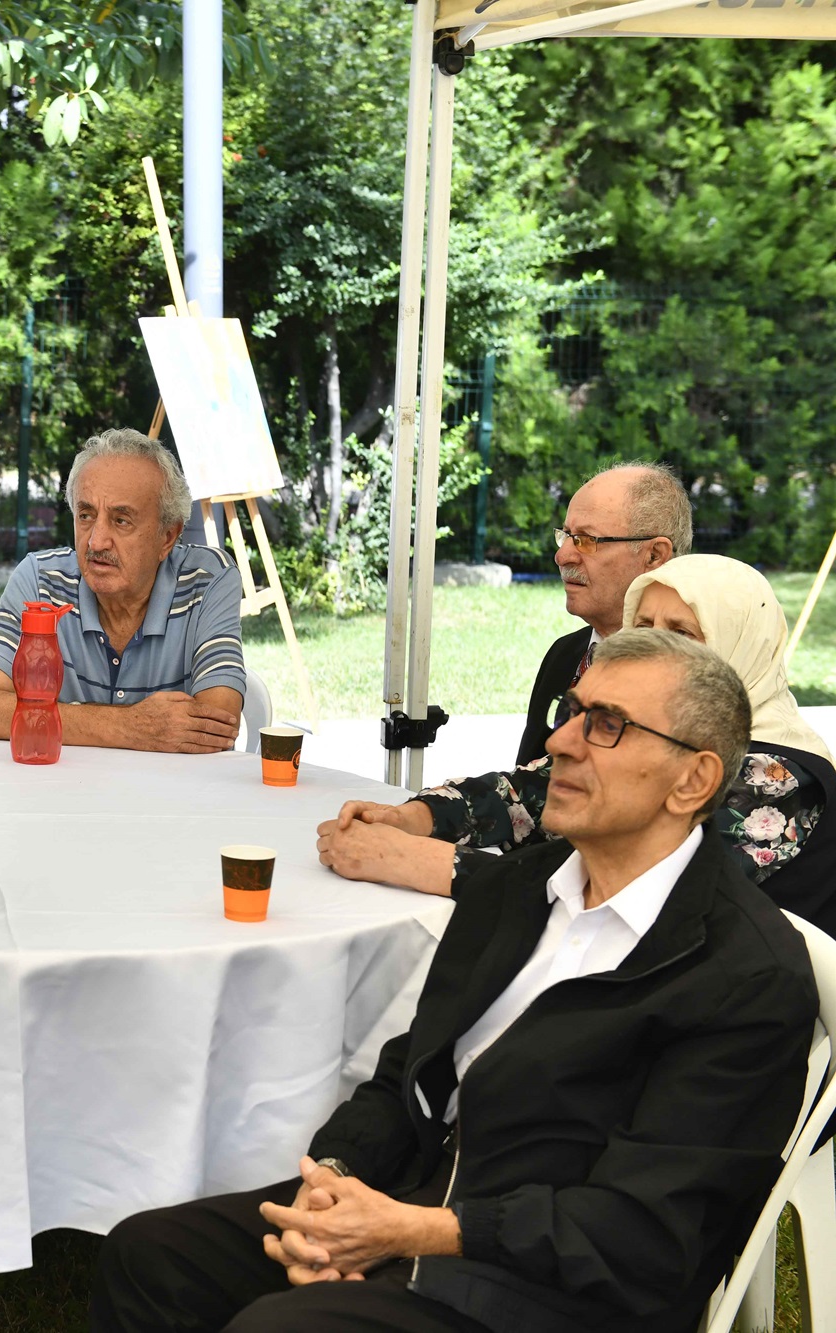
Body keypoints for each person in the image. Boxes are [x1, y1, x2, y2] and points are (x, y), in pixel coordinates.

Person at [94, 628, 817, 1333]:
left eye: (607, 725)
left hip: (550, 1290)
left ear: (693, 779)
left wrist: (417, 1231)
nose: (560, 741)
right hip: (419, 1199)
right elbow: (411, 1065)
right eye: (572, 712)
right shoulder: (522, 886)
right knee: (150, 1256)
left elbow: (641, 1233)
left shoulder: (743, 973)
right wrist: (334, 1181)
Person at [317, 555, 836, 930]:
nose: (656, 647)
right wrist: (414, 819)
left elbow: (623, 894)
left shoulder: (778, 776)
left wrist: (419, 862)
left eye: (682, 632)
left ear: (741, 645)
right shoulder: (637, 726)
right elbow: (528, 792)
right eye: (644, 627)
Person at [0, 428, 245, 753]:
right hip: (61, 793)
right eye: (86, 515)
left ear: (167, 537)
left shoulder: (208, 580)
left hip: (169, 799)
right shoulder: (40, 580)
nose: (96, 542)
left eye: (121, 521)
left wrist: (51, 719)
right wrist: (130, 727)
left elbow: (217, 723)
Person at [516, 462, 689, 765]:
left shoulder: (686, 675)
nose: (562, 555)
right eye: (566, 535)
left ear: (654, 555)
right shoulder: (565, 653)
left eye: (586, 540)